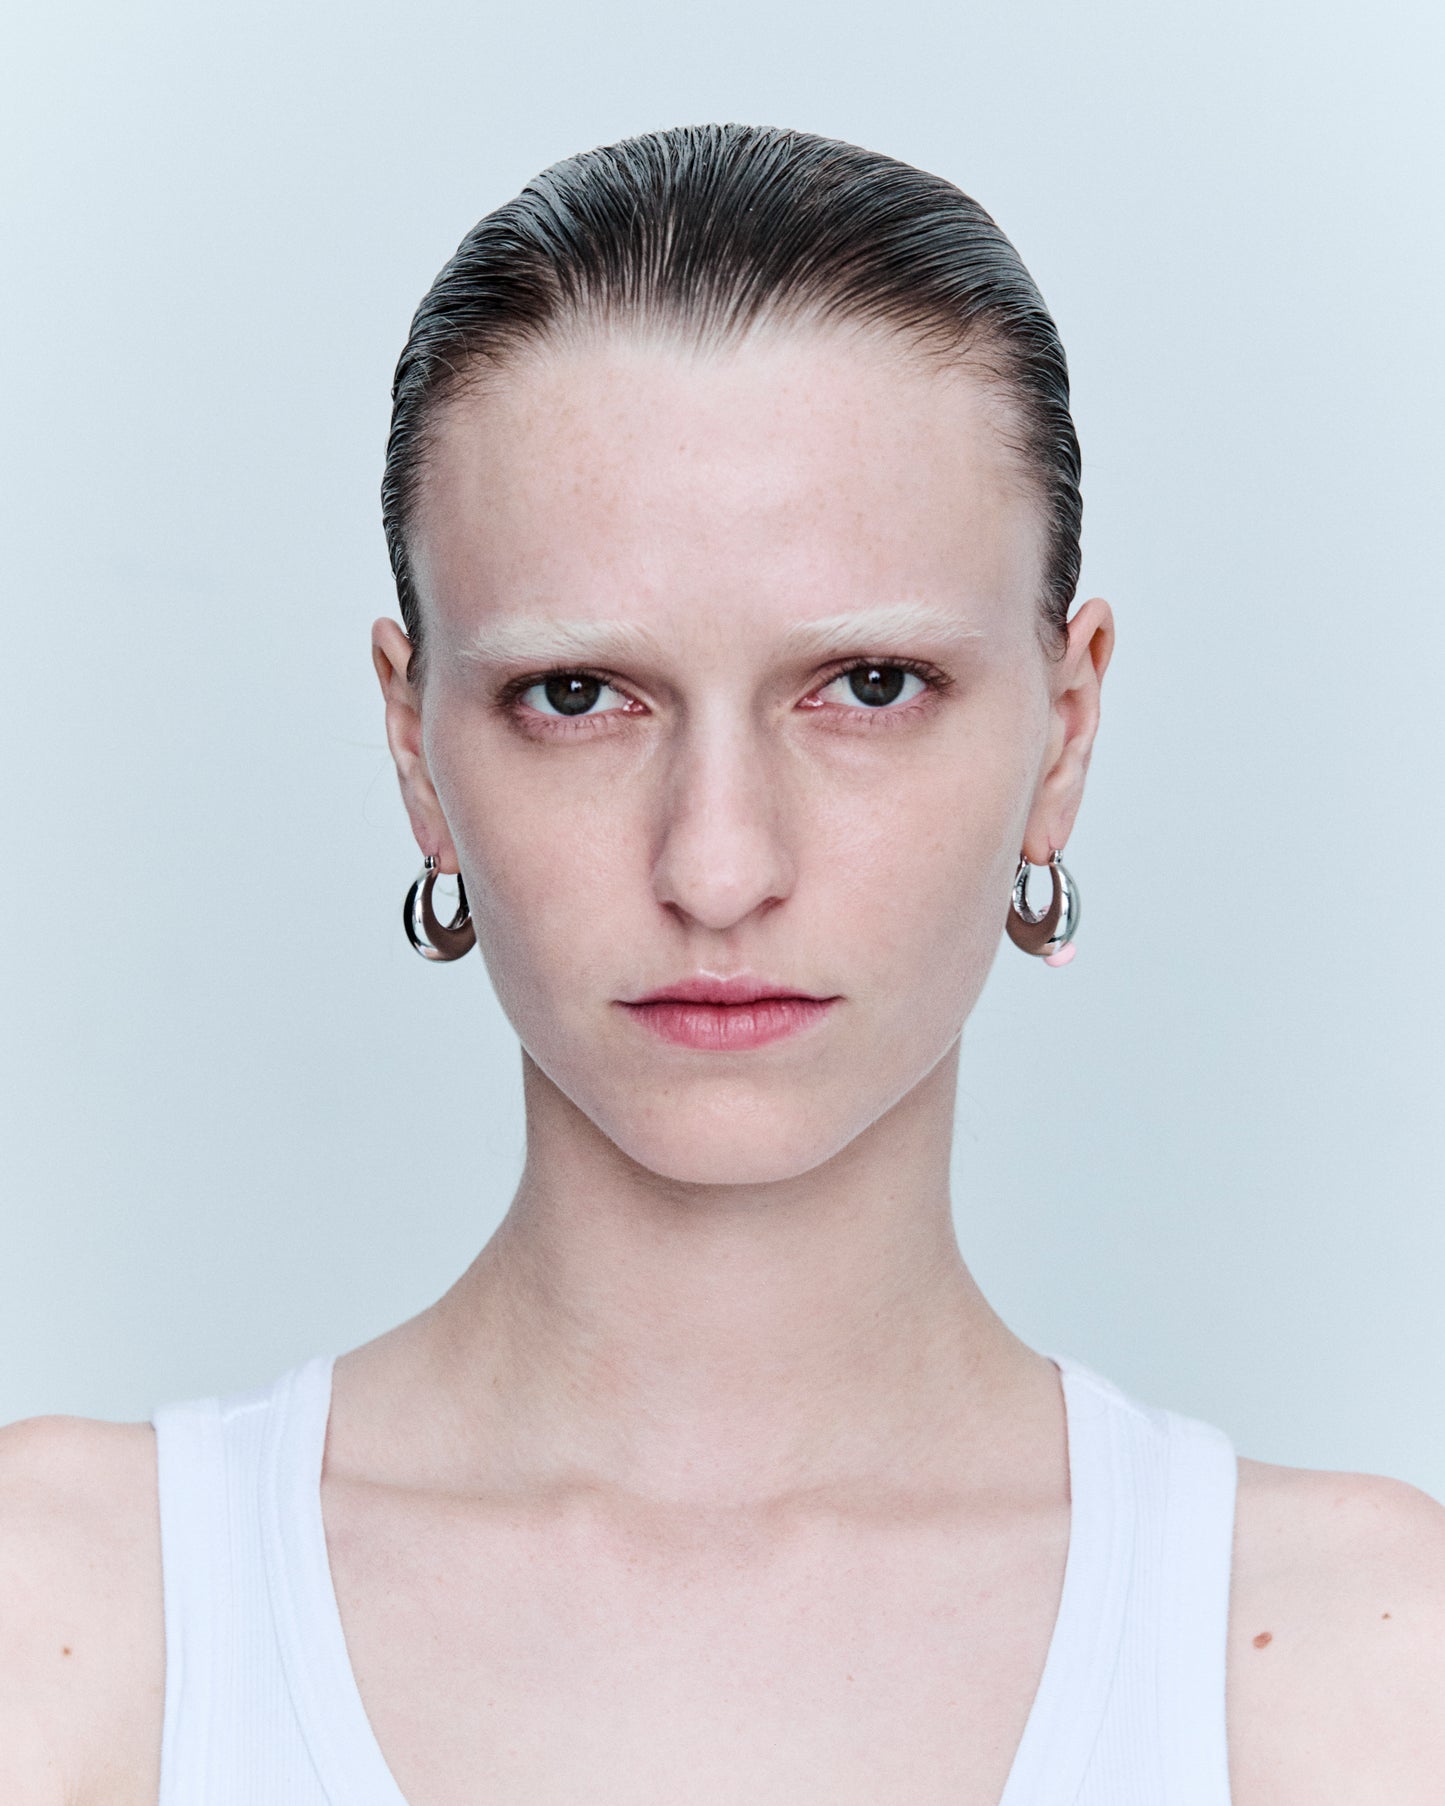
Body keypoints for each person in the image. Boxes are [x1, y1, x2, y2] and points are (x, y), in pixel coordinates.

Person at [3, 122, 1443, 1806]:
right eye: (576, 695)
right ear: (416, 745)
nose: (716, 866)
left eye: (869, 686)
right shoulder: (69, 1612)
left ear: (1063, 728)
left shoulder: (1360, 1658)